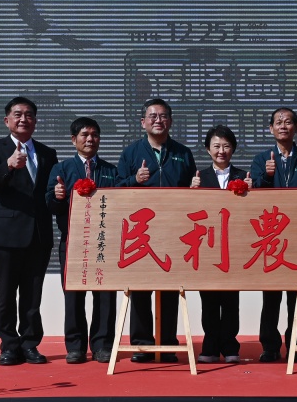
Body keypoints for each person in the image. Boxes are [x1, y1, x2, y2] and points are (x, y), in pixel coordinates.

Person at [117, 98, 197, 363]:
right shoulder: (131, 152)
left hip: (173, 229)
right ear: (143, 122)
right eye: (152, 116)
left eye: (163, 116)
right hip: (141, 231)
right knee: (140, 289)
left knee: (172, 289)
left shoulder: (183, 152)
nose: (158, 120)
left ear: (170, 121)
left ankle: (167, 343)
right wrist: (134, 180)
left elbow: (191, 188)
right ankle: (142, 345)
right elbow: (117, 188)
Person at [0, 96, 58, 366]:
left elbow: (48, 192)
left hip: (39, 233)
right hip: (6, 234)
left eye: (29, 115)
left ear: (35, 121)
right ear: (7, 120)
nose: (23, 119)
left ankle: (30, 344)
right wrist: (8, 165)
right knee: (6, 294)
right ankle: (9, 345)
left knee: (32, 295)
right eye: (18, 114)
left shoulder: (47, 153)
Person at [46, 117, 119, 364]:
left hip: (104, 241)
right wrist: (57, 197)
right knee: (73, 295)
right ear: (73, 139)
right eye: (85, 134)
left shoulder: (110, 170)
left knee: (105, 296)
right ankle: (75, 346)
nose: (90, 139)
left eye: (95, 135)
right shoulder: (61, 169)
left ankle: (103, 345)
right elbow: (49, 205)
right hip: (73, 241)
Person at [249, 107, 297, 363]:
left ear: (296, 128)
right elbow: (253, 193)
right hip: (271, 235)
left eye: (288, 122)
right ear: (271, 129)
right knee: (271, 295)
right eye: (278, 122)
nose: (283, 126)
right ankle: (269, 346)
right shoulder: (260, 159)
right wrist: (267, 177)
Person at [190, 125, 249, 364]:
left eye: (226, 146)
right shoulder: (199, 177)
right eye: (216, 146)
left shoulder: (243, 176)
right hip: (207, 246)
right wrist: (191, 192)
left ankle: (230, 345)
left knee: (231, 300)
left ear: (233, 148)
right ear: (208, 149)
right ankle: (210, 346)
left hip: (233, 247)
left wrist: (252, 193)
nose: (221, 151)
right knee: (209, 300)